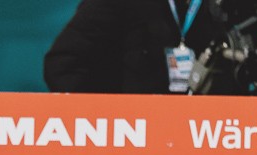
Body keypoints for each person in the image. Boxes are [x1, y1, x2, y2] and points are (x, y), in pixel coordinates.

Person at [44, 0, 220, 94]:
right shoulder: (117, 4)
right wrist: (108, 125)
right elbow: (61, 65)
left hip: (197, 135)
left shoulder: (219, 8)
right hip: (132, 138)